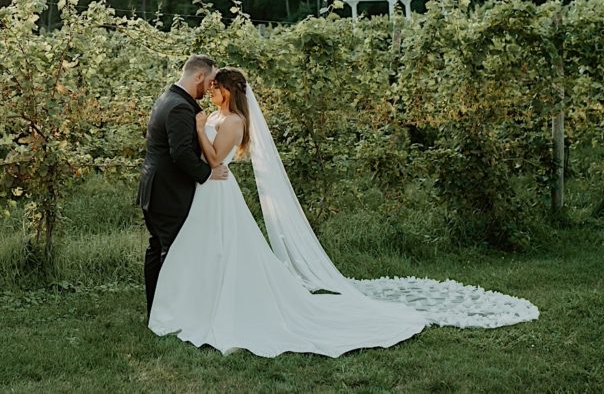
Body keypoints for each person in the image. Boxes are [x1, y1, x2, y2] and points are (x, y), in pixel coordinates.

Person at [147, 66, 539, 357]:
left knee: (226, 250)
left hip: (219, 188)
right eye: (209, 89)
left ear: (228, 92)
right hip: (207, 192)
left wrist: (200, 130)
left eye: (215, 90)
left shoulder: (232, 121)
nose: (210, 95)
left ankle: (226, 305)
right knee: (205, 250)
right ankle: (197, 301)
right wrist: (201, 128)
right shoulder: (213, 115)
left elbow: (216, 158)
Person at [136, 54, 229, 319]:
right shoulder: (179, 107)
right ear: (198, 76)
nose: (211, 87)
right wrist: (209, 173)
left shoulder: (169, 98)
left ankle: (157, 310)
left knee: (158, 249)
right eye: (210, 80)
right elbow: (181, 154)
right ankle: (168, 315)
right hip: (167, 192)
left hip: (155, 189)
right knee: (173, 252)